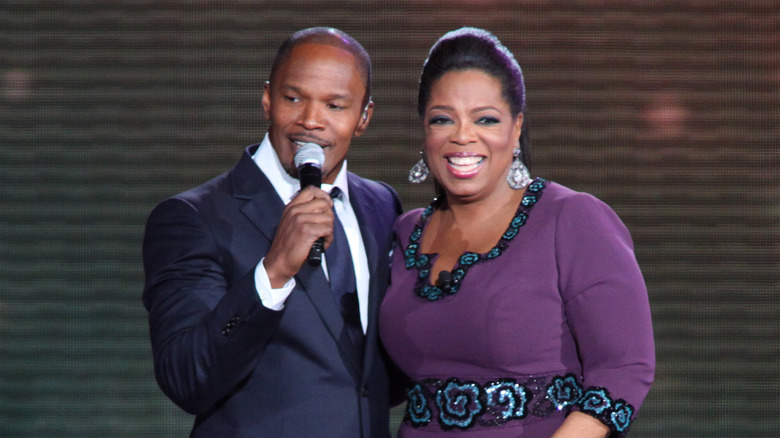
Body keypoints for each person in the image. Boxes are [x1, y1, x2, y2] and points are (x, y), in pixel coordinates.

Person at [379, 27, 655, 437]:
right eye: (443, 119)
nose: (462, 136)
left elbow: (623, 370)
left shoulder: (572, 219)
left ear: (516, 128)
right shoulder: (406, 233)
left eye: (485, 119)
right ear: (425, 132)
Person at [142, 27, 402, 438]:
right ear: (267, 98)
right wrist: (274, 271)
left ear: (364, 117)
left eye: (335, 105)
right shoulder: (193, 217)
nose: (311, 121)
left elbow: (374, 374)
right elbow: (187, 379)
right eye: (293, 98)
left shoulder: (381, 206)